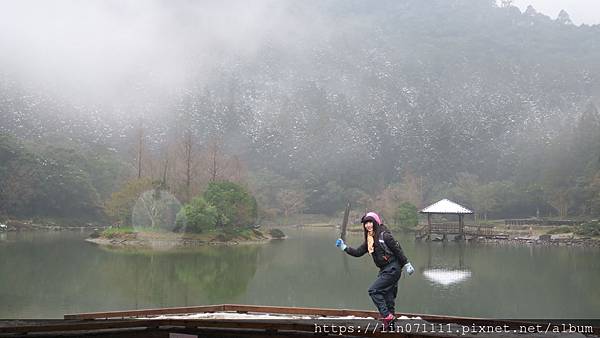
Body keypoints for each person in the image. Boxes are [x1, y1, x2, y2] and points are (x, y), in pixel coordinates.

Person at [335, 211, 414, 328]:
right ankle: (390, 326)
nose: (368, 225)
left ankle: (387, 316)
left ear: (376, 222)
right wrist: (344, 247)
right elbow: (358, 252)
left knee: (374, 290)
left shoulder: (384, 236)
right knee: (388, 297)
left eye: (370, 222)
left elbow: (398, 250)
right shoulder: (370, 240)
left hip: (393, 268)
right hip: (385, 269)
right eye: (366, 223)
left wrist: (407, 264)